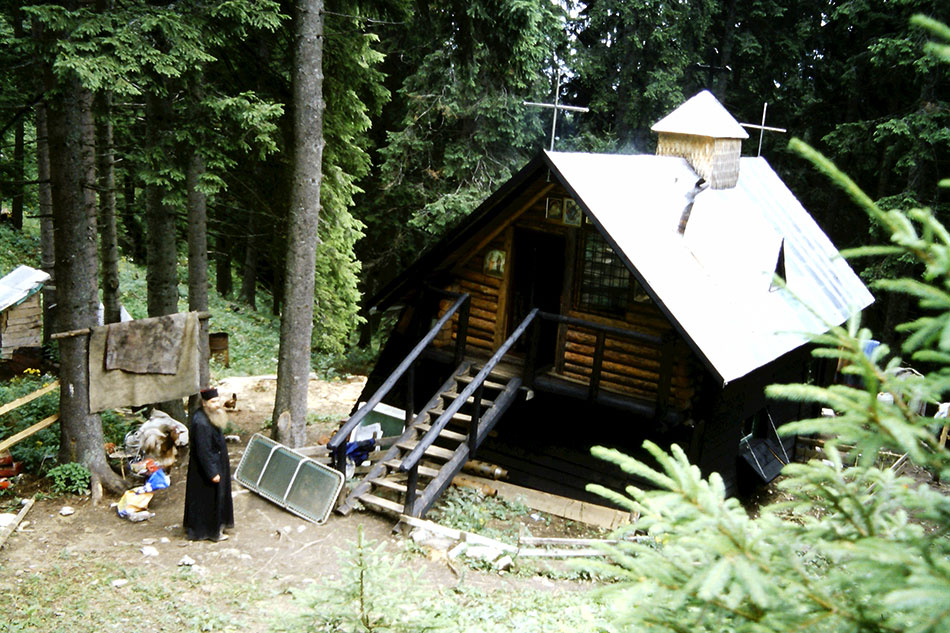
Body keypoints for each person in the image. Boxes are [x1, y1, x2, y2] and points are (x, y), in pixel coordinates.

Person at [183, 388, 234, 541]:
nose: (217, 404)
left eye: (217, 400)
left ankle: (216, 526)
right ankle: (210, 532)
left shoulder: (210, 415)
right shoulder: (201, 422)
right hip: (205, 469)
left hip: (216, 463)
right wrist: (212, 472)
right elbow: (203, 450)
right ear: (204, 404)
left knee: (215, 497)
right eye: (213, 402)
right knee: (208, 499)